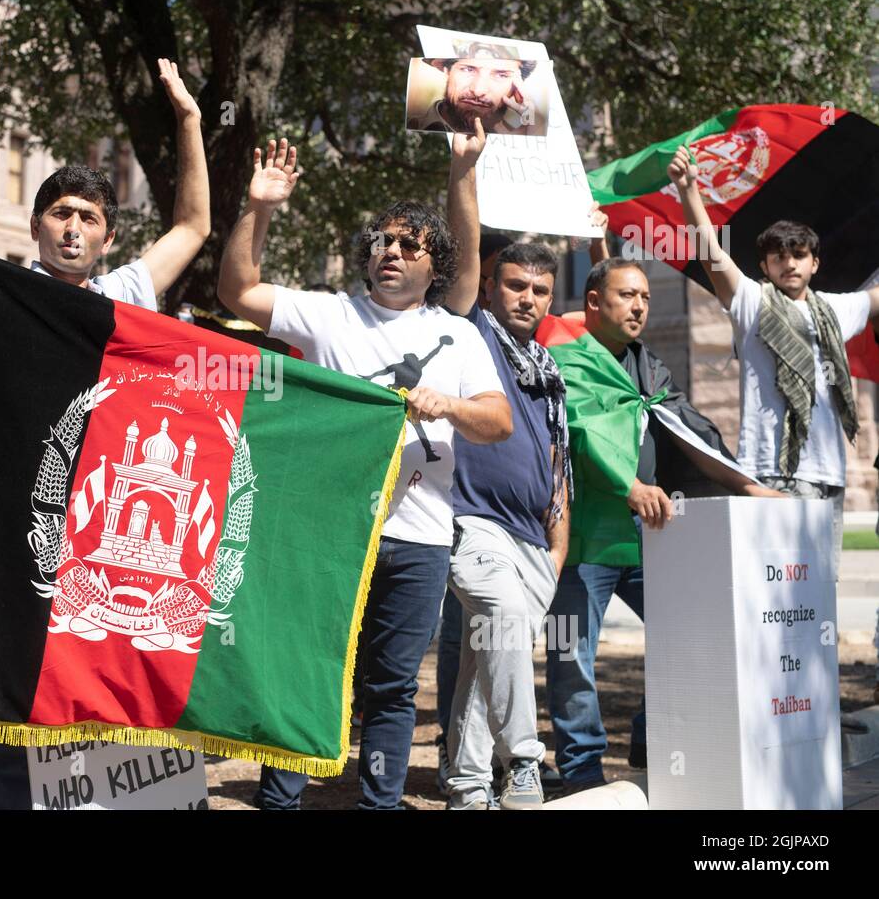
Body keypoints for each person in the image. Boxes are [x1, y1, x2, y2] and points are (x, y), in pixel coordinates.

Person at [0, 12, 210, 808]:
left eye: (90, 218)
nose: (73, 228)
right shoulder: (2, 287)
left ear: (107, 238)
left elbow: (195, 225)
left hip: (110, 537)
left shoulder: (127, 295)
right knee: (19, 699)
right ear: (38, 226)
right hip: (22, 525)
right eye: (60, 213)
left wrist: (188, 120)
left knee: (110, 698)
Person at [217, 137, 513, 809]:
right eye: (381, 241)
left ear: (434, 265)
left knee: (392, 685)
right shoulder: (327, 314)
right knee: (308, 669)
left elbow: (499, 422)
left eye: (410, 246)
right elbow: (235, 288)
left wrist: (450, 405)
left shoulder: (459, 335)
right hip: (328, 534)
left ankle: (377, 803)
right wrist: (259, 210)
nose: (392, 252)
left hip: (421, 538)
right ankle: (280, 799)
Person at [544, 257, 782, 793]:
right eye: (627, 295)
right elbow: (578, 430)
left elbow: (686, 427)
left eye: (646, 297)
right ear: (594, 302)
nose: (639, 306)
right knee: (572, 656)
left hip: (651, 538)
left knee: (689, 635)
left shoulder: (648, 365)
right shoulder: (565, 359)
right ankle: (581, 772)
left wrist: (743, 484)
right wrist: (628, 487)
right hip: (586, 539)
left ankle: (655, 742)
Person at [433, 122, 568, 809]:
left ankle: (465, 786)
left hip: (532, 542)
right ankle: (525, 760)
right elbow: (462, 254)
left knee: (488, 662)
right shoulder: (468, 330)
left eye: (540, 291)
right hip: (473, 526)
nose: (527, 298)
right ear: (490, 288)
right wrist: (465, 172)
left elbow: (556, 466)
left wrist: (556, 548)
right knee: (505, 627)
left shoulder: (548, 369)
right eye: (514, 285)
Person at [667, 145, 879, 567]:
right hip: (773, 473)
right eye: (779, 257)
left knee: (821, 595)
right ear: (764, 266)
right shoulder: (751, 303)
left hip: (829, 475)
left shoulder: (836, 309)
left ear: (814, 263)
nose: (789, 264)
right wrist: (689, 191)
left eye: (798, 255)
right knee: (776, 594)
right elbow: (710, 253)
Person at [411, 46, 537, 134]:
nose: (478, 90)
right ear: (447, 71)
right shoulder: (413, 129)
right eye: (468, 69)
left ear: (516, 87)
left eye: (501, 75)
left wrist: (523, 146)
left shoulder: (516, 138)